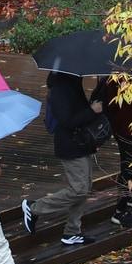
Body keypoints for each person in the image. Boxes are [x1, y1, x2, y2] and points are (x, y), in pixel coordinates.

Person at [21, 71, 105, 245]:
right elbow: (67, 121)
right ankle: (34, 208)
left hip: (81, 143)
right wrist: (91, 110)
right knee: (79, 189)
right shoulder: (60, 89)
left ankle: (72, 232)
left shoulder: (73, 82)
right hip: (70, 145)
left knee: (84, 187)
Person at [95, 76, 132, 227]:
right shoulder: (115, 78)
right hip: (125, 128)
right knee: (130, 168)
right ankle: (120, 211)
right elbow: (112, 104)